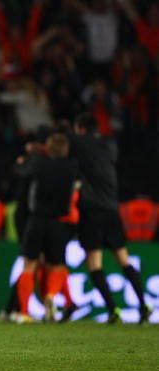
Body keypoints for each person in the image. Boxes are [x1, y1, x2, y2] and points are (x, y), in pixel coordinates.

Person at [70, 112, 151, 324]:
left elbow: (62, 141)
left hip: (92, 210)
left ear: (80, 128)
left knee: (95, 264)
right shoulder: (108, 146)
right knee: (123, 258)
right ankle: (144, 305)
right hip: (111, 209)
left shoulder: (79, 143)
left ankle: (112, 309)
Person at [14, 133, 79, 323]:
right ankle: (51, 295)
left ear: (48, 149)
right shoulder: (72, 167)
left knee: (29, 265)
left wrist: (26, 157)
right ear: (65, 149)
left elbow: (20, 170)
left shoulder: (39, 163)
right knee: (57, 265)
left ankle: (24, 313)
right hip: (59, 222)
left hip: (37, 220)